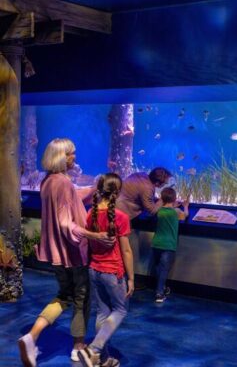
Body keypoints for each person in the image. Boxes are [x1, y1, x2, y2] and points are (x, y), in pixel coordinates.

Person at [18, 138, 113, 367]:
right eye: (71, 154)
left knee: (64, 296)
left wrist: (92, 189)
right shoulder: (62, 183)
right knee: (81, 298)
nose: (74, 158)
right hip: (72, 253)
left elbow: (70, 198)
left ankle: (32, 336)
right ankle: (78, 346)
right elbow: (64, 223)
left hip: (56, 254)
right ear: (62, 156)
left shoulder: (48, 181)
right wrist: (94, 235)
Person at [78, 173, 134, 367]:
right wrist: (132, 279)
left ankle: (103, 359)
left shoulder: (89, 213)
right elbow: (126, 250)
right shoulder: (121, 217)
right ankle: (94, 349)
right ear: (117, 193)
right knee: (120, 310)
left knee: (102, 313)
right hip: (113, 272)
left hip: (94, 270)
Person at [116, 167, 173, 289]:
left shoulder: (141, 175)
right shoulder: (148, 188)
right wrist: (163, 200)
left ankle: (123, 280)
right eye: (165, 182)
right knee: (129, 249)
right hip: (124, 215)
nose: (166, 184)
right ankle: (128, 282)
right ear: (158, 182)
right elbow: (152, 210)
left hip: (116, 211)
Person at [152, 187, 189, 303]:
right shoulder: (176, 212)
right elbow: (185, 215)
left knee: (158, 268)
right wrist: (186, 206)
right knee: (164, 269)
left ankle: (161, 287)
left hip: (156, 243)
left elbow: (166, 209)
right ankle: (159, 294)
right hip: (168, 245)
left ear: (161, 198)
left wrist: (173, 205)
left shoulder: (159, 211)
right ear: (174, 199)